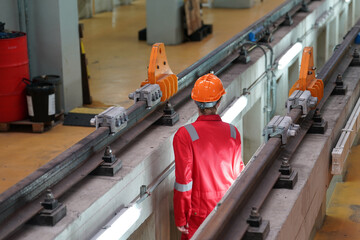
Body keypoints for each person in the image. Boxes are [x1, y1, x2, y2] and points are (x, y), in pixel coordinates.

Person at [173, 73, 244, 239]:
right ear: (219, 102)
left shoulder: (185, 135)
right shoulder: (233, 132)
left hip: (198, 215)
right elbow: (239, 174)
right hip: (227, 208)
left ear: (196, 103)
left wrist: (181, 217)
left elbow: (184, 181)